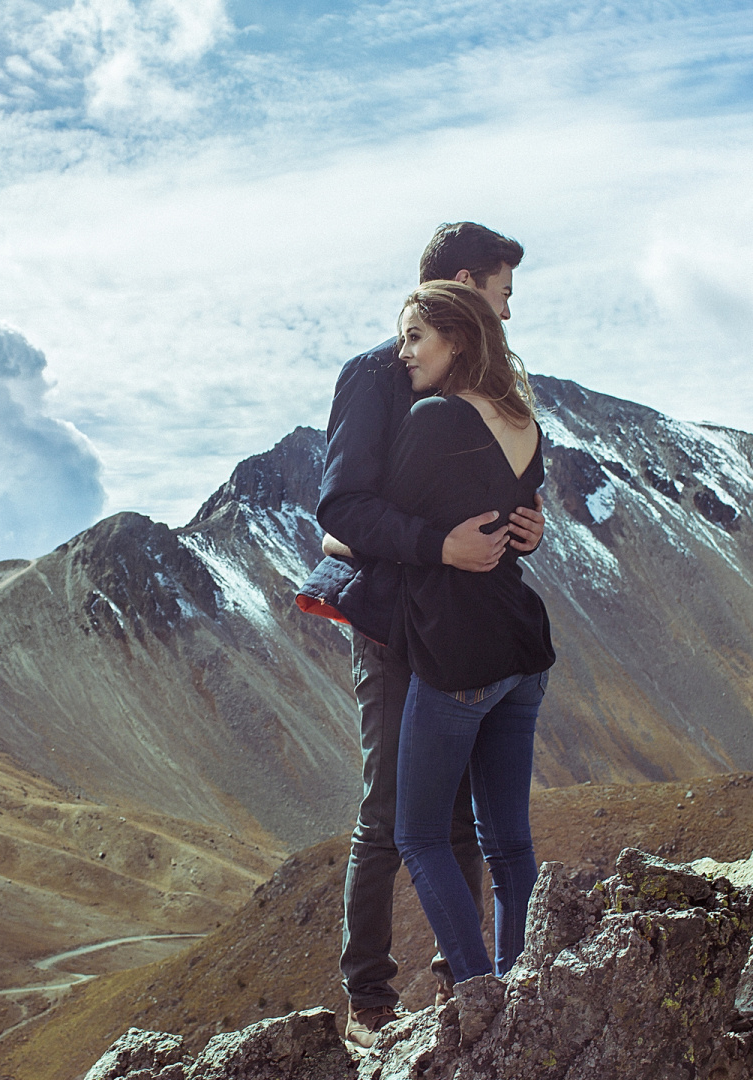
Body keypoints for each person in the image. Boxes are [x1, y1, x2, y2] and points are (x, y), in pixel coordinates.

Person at [298, 222, 544, 1049]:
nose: (507, 315)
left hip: (459, 623)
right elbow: (341, 515)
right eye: (501, 295)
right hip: (390, 621)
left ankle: (459, 984)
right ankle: (370, 1000)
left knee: (464, 821)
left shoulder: (489, 392)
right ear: (467, 289)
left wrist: (524, 525)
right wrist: (437, 543)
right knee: (390, 812)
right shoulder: (377, 376)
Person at [383, 281, 552, 986]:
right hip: (523, 652)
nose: (404, 352)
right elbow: (517, 519)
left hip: (461, 654)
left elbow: (367, 527)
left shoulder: (436, 421)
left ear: (456, 339)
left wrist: (336, 543)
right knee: (509, 840)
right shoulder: (522, 420)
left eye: (415, 336)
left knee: (418, 835)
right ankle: (520, 990)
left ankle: (480, 995)